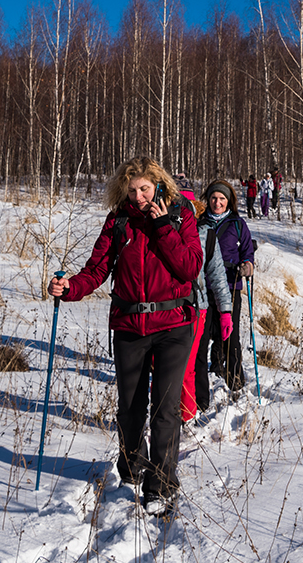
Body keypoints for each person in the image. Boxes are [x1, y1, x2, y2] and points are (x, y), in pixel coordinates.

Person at [47, 157, 201, 516]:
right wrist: (70, 287)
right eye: (132, 191)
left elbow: (190, 267)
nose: (139, 196)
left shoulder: (180, 215)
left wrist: (162, 225)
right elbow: (97, 268)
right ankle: (132, 464)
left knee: (165, 409)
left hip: (174, 323)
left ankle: (160, 484)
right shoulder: (119, 220)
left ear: (159, 185)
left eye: (145, 189)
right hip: (129, 325)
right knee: (130, 408)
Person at [197, 180, 255, 393]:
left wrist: (247, 267)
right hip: (204, 288)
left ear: (229, 201)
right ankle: (199, 387)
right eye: (213, 198)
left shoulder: (238, 225)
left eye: (222, 198)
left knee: (230, 337)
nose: (217, 202)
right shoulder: (200, 223)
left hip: (230, 288)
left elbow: (248, 253)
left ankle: (236, 383)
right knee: (201, 339)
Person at [182, 208, 232, 421]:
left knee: (190, 363)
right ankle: (164, 416)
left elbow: (218, 275)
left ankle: (186, 415)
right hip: (163, 307)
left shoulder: (205, 233)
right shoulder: (158, 227)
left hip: (197, 307)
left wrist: (225, 311)